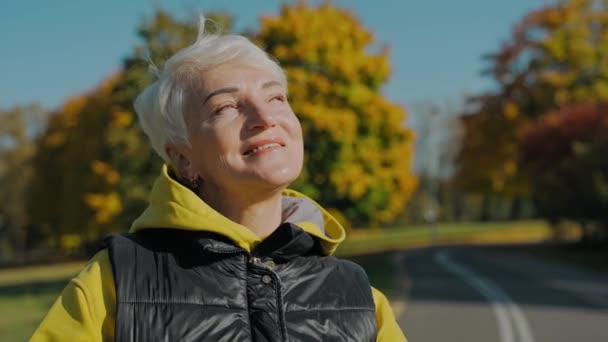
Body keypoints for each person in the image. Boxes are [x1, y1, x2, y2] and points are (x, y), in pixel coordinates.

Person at [30, 15, 407, 342]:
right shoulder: (114, 282)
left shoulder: (359, 296)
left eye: (276, 97)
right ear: (182, 156)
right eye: (226, 106)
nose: (264, 116)